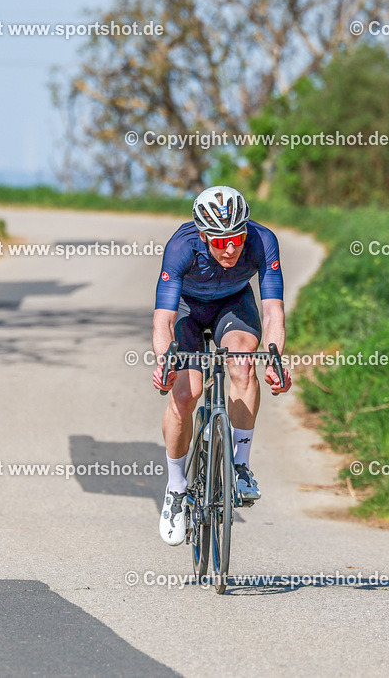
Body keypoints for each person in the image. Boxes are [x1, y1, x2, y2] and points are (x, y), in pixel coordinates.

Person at [151, 185, 292, 546]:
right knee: (187, 392)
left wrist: (275, 357)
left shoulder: (262, 241)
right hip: (187, 310)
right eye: (219, 242)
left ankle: (241, 466)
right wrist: (166, 361)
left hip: (234, 303)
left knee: (244, 365)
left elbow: (273, 309)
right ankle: (177, 487)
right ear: (202, 235)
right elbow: (163, 320)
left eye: (237, 238)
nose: (230, 249)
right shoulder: (181, 247)